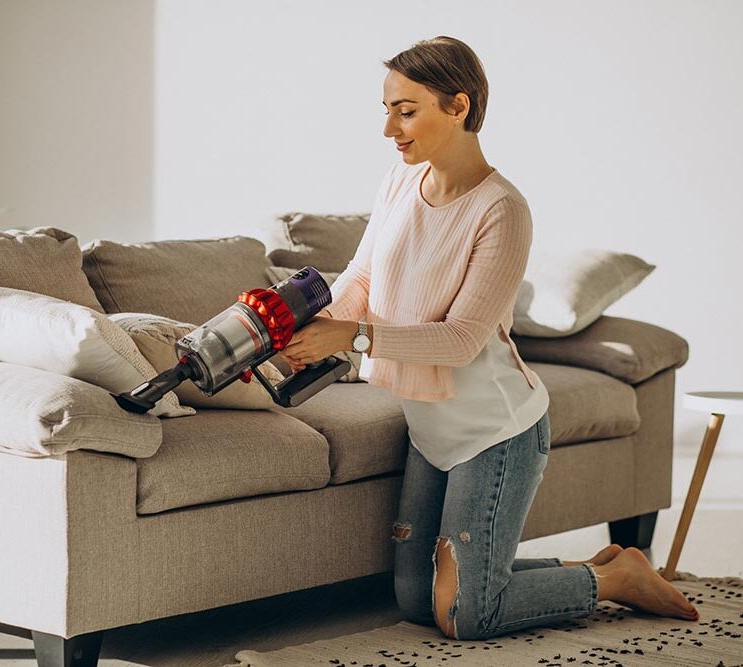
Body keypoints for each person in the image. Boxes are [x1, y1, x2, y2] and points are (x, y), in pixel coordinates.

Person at [278, 36, 700, 640]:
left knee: (469, 614)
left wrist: (353, 338)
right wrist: (303, 326)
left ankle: (616, 581)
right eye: (387, 108)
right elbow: (364, 276)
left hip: (495, 431)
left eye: (406, 109)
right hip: (431, 430)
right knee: (415, 600)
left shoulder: (502, 209)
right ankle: (594, 567)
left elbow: (460, 342)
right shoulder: (399, 184)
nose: (389, 128)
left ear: (459, 105)